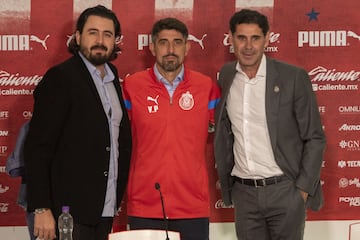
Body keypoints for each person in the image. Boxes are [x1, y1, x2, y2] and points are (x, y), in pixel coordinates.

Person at [214, 9, 326, 240]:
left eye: (255, 38)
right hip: (244, 194)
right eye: (241, 37)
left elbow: (314, 137)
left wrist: (302, 191)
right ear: (231, 38)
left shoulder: (292, 77)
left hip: (285, 191)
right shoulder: (226, 76)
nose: (248, 46)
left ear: (267, 39)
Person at [24, 5, 132, 240]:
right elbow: (37, 148)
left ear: (115, 41)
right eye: (93, 32)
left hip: (104, 209)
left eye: (108, 34)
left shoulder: (113, 78)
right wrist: (41, 208)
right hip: (67, 214)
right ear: (78, 36)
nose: (100, 40)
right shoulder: (61, 78)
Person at [122, 17, 220, 240]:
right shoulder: (132, 86)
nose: (170, 49)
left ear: (187, 47)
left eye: (177, 42)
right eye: (163, 42)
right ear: (152, 47)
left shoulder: (206, 87)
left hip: (192, 206)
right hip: (144, 205)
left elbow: (220, 133)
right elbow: (121, 141)